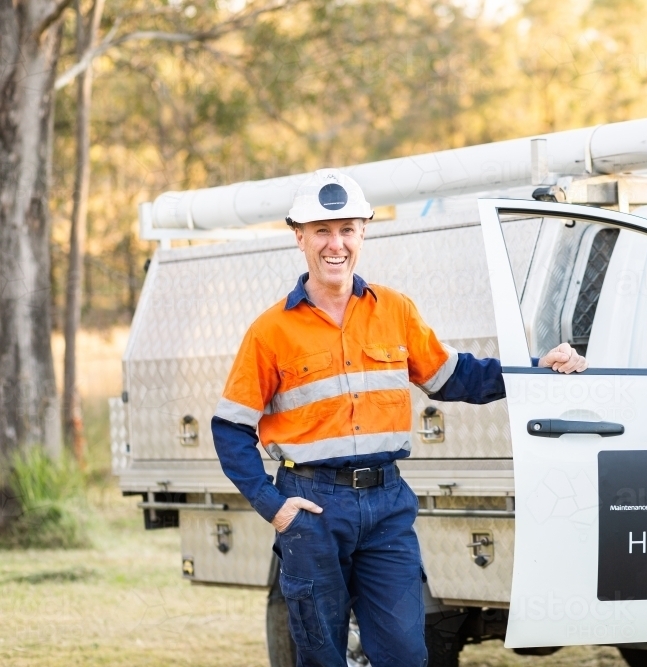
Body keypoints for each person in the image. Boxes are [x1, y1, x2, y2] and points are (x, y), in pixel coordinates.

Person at [211, 168, 587, 667]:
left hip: (387, 505)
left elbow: (455, 377)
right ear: (298, 237)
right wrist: (273, 505)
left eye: (347, 229)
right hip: (312, 508)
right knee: (322, 657)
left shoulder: (395, 310)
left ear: (363, 232)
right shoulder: (270, 331)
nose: (335, 244)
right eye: (322, 231)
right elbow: (231, 427)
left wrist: (536, 369)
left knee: (406, 653)